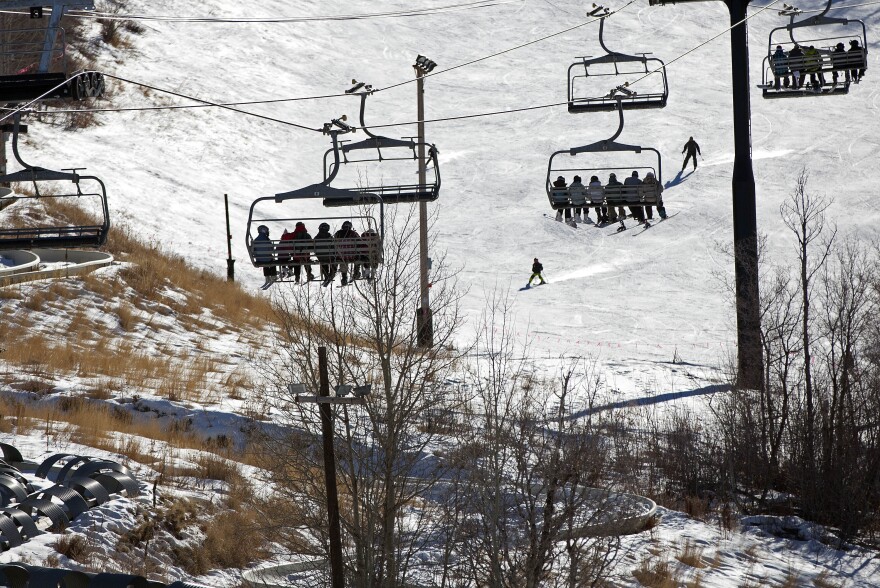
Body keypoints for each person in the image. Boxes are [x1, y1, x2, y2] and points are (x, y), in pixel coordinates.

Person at [334, 220, 361, 285]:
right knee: (358, 256)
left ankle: (344, 278)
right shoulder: (353, 233)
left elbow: (333, 242)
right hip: (352, 256)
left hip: (341, 256)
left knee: (343, 259)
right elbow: (359, 242)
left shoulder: (338, 233)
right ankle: (356, 272)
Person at [314, 222, 336, 286]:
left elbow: (314, 247)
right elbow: (334, 246)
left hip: (321, 257)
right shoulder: (330, 237)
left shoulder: (317, 237)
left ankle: (326, 276)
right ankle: (331, 276)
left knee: (324, 262)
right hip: (330, 257)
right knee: (333, 262)